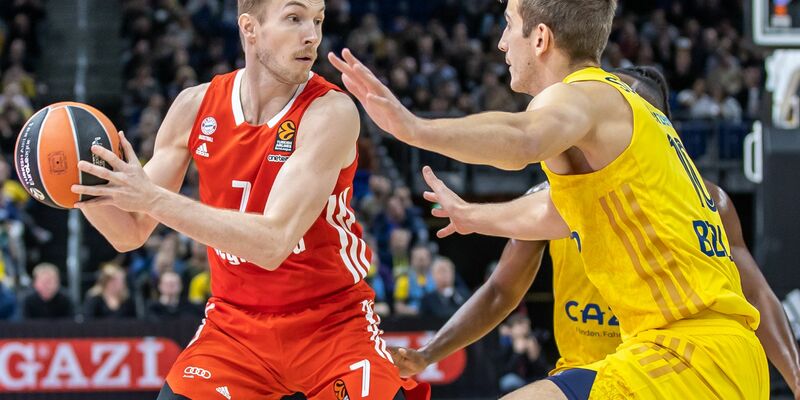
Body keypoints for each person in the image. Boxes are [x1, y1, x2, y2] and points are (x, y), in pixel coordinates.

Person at [329, 0, 769, 397]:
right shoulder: (618, 126)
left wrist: (414, 129)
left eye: (508, 25)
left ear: (540, 38)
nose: (501, 43)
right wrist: (476, 216)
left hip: (689, 356)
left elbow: (522, 139)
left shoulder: (587, 96)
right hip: (710, 357)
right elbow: (555, 211)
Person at [72, 1, 427, 399]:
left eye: (318, 20)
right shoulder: (194, 107)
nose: (312, 34)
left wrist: (153, 198)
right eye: (294, 18)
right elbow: (130, 232)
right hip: (235, 327)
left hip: (332, 324)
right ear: (249, 27)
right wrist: (76, 185)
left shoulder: (331, 111)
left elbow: (273, 242)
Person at [388, 67, 800, 399]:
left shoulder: (706, 200)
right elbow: (500, 290)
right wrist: (430, 352)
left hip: (668, 364)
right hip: (590, 370)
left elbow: (757, 294)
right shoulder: (555, 198)